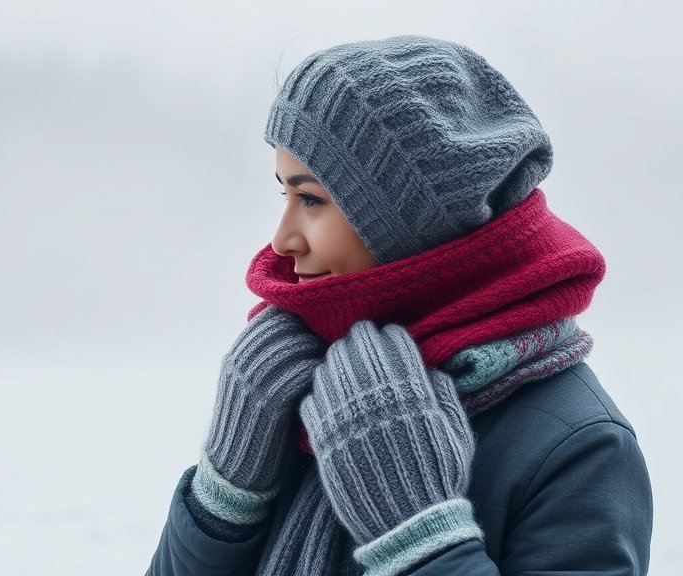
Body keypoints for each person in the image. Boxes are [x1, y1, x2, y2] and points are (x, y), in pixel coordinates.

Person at [145, 34, 653, 576]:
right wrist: (223, 498)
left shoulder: (582, 448)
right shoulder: (296, 393)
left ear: (414, 222)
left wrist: (417, 539)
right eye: (284, 194)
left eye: (311, 199)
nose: (282, 240)